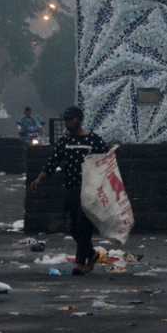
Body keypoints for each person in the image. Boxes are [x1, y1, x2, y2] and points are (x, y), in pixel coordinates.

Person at [28, 106, 107, 275]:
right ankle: (91, 254)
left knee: (83, 225)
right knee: (72, 227)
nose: (67, 123)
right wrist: (38, 180)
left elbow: (106, 164)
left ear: (77, 119)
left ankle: (80, 263)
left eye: (69, 120)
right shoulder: (65, 142)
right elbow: (52, 163)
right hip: (71, 189)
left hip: (89, 191)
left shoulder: (94, 141)